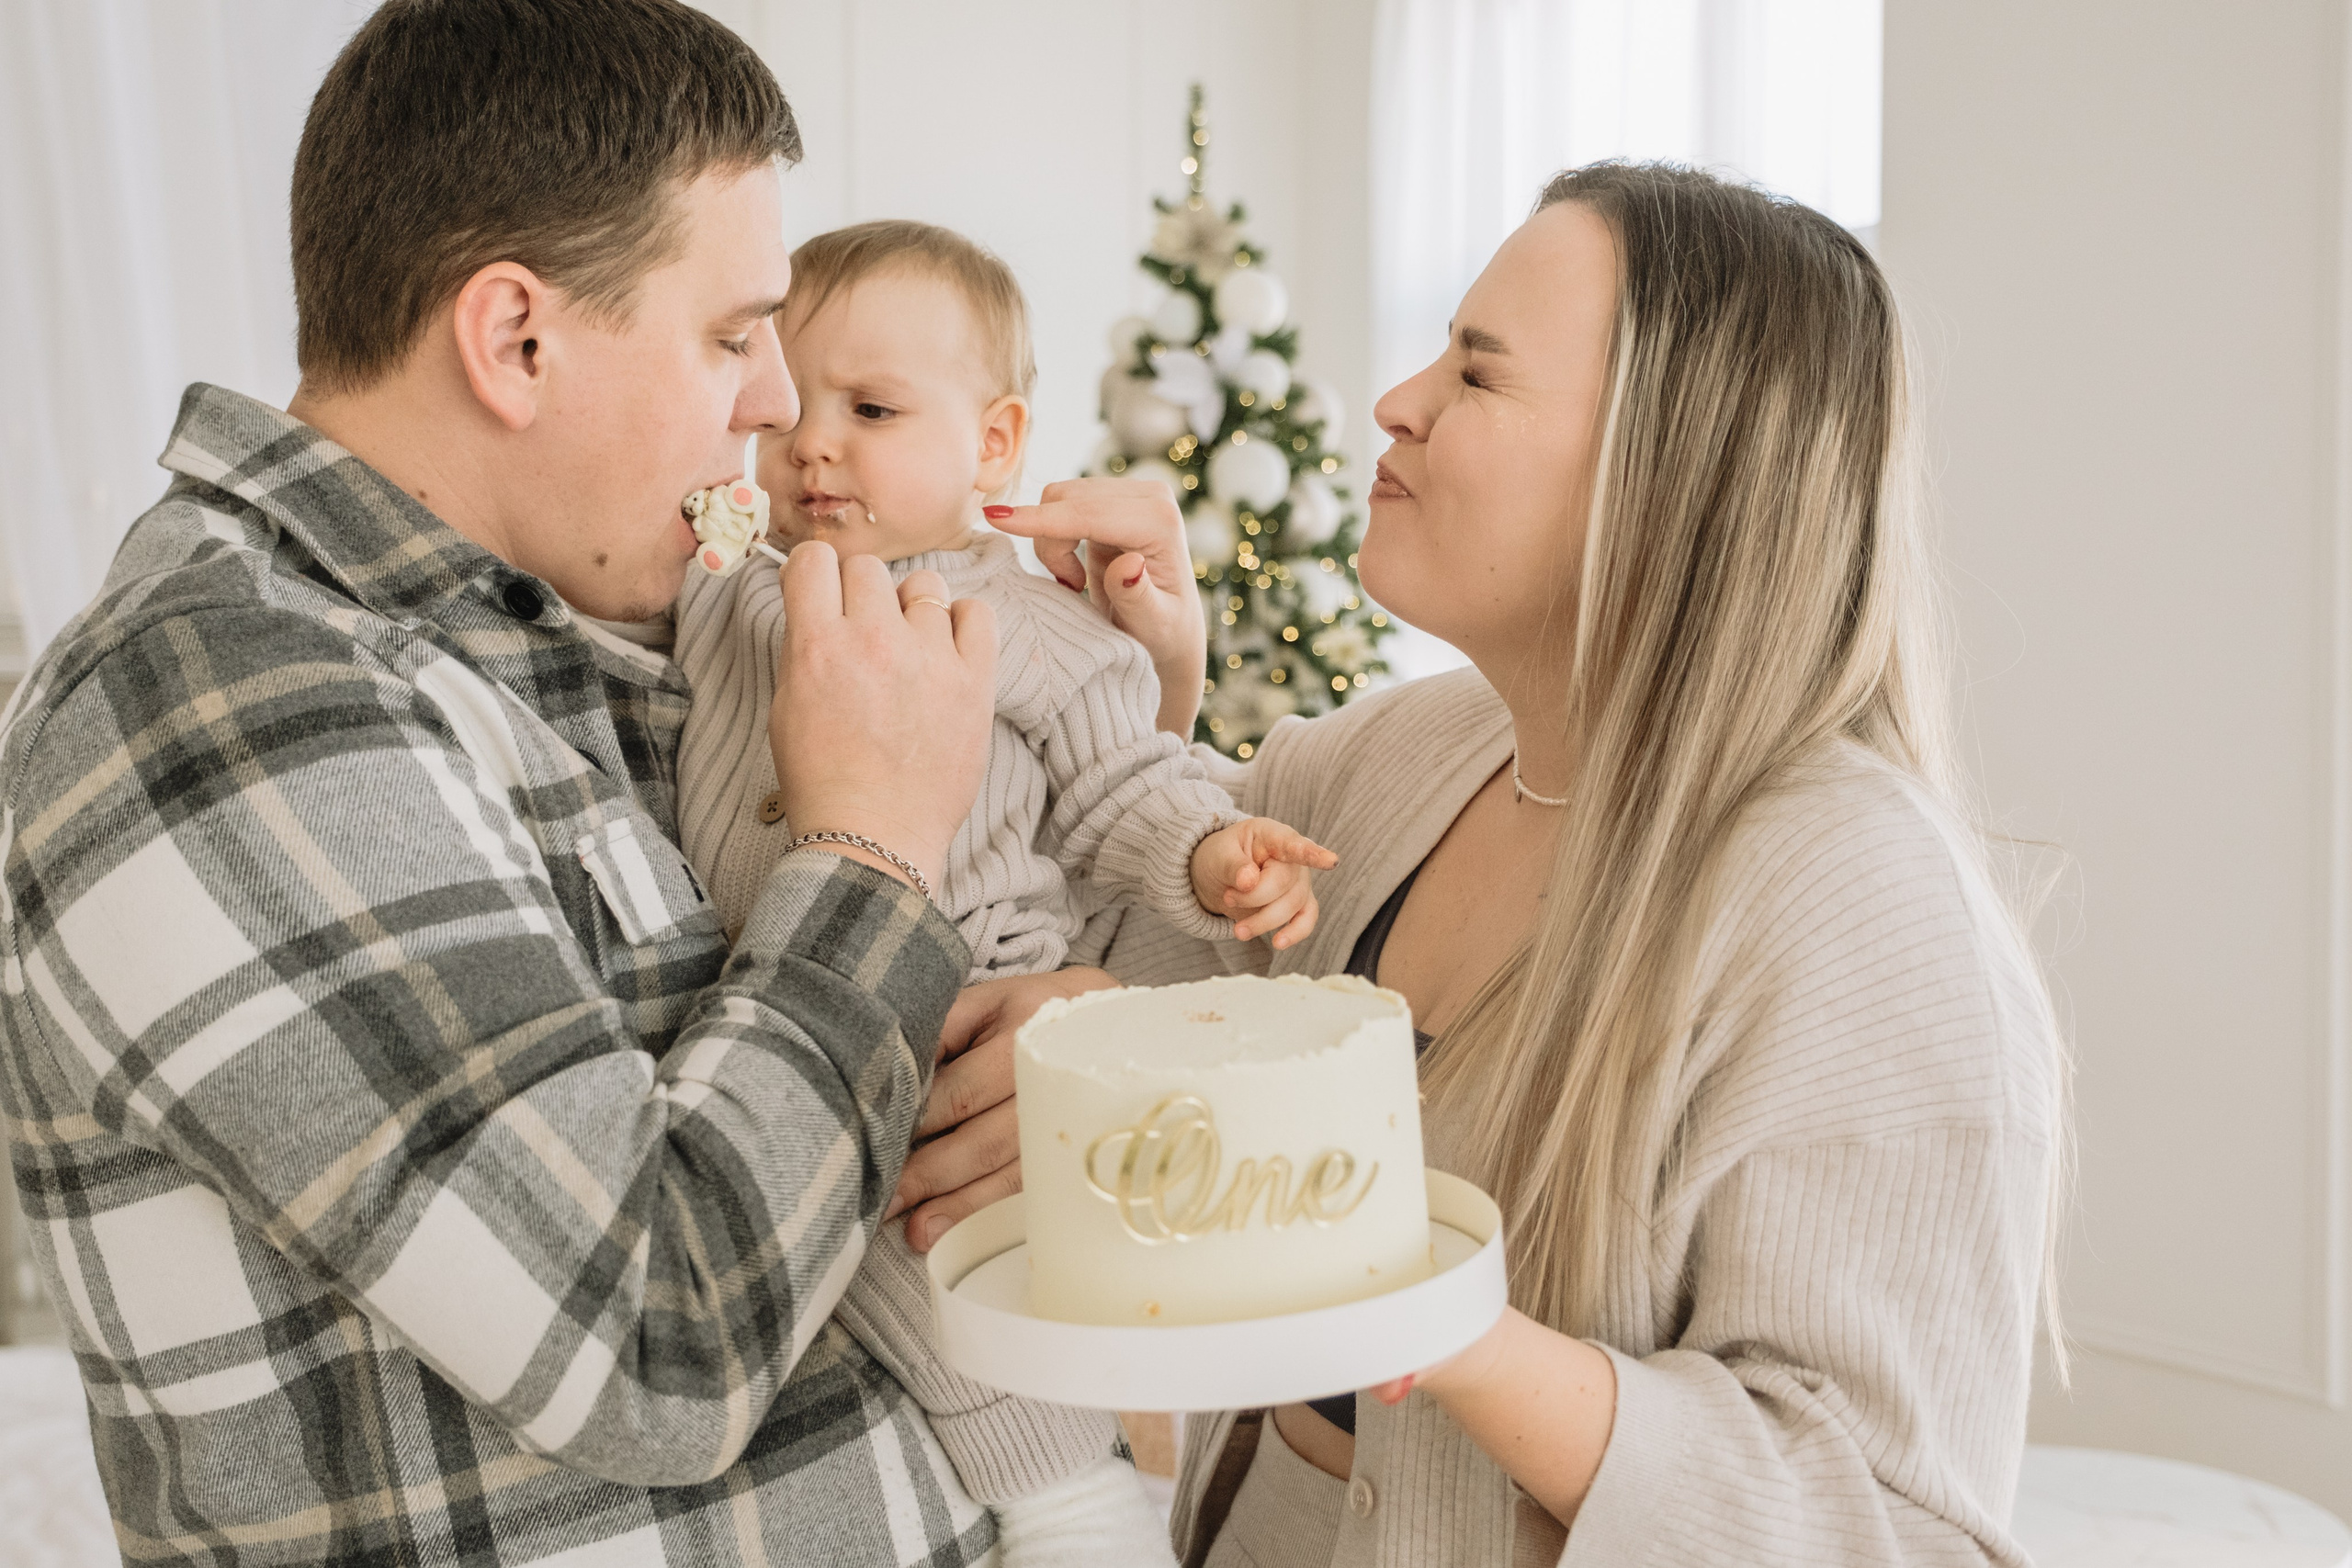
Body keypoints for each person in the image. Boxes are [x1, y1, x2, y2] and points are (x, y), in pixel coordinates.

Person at [897, 163, 2068, 1567]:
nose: (1399, 400)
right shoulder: (1383, 762)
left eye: (1480, 373)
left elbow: (1894, 1535)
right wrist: (1134, 689)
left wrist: (1440, 1322)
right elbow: (1108, 986)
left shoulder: (1862, 912)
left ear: (1666, 471)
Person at [0, 4, 1012, 1564]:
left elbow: (745, 1093)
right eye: (735, 337)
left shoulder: (526, 632)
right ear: (514, 338)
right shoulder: (221, 691)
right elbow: (660, 1340)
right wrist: (875, 854)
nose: (771, 406)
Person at [672, 218, 1335, 1563]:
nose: (814, 445)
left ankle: (1082, 1506)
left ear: (992, 444)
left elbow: (1125, 780)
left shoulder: (1024, 624)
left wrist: (1215, 858)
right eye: (794, 404)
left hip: (963, 1011)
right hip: (766, 1012)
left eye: (870, 409)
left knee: (960, 1304)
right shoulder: (727, 587)